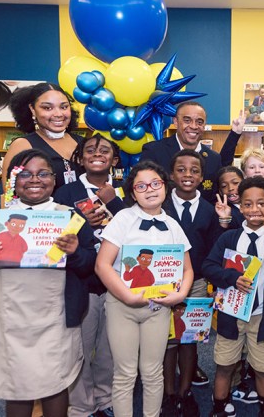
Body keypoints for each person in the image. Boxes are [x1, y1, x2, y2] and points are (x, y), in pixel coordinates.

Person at [0, 149, 96, 417]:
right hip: (10, 315)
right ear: (14, 180)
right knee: (17, 383)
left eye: (43, 173)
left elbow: (89, 266)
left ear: (54, 179)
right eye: (25, 174)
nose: (35, 179)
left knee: (55, 381)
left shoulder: (70, 218)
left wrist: (75, 253)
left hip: (55, 315)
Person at [94, 160, 194, 417]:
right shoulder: (123, 219)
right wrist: (127, 296)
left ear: (165, 186)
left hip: (157, 307)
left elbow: (187, 269)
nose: (150, 189)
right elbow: (102, 265)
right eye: (141, 185)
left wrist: (181, 294)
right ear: (132, 192)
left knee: (153, 371)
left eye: (155, 183)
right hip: (122, 306)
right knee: (125, 372)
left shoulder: (172, 224)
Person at [202, 177, 264, 417]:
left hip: (263, 315)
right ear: (240, 207)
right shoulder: (229, 238)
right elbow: (208, 266)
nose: (255, 209)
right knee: (225, 365)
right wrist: (231, 278)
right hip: (231, 313)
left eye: (261, 204)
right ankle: (219, 407)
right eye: (248, 204)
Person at [55, 133, 124, 417]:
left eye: (104, 150)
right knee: (80, 347)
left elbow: (138, 231)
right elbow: (58, 240)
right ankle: (81, 406)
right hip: (83, 282)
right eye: (90, 150)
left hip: (117, 283)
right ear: (81, 158)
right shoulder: (66, 192)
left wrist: (115, 203)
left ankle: (105, 399)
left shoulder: (124, 189)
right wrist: (81, 221)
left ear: (114, 160)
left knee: (110, 348)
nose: (97, 154)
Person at [161, 149, 224, 417]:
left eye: (194, 170)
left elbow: (214, 249)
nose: (188, 175)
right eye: (181, 169)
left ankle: (186, 393)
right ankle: (168, 393)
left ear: (202, 177)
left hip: (198, 282)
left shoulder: (210, 210)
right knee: (167, 342)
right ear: (172, 175)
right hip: (164, 283)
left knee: (189, 339)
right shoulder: (160, 205)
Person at [140, 102, 245, 203]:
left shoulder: (214, 159)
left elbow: (216, 194)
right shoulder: (153, 151)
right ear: (175, 121)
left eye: (199, 122)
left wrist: (235, 134)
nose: (194, 126)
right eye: (187, 120)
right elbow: (142, 188)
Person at [2, 82, 84, 194]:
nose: (58, 114)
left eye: (64, 107)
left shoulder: (83, 143)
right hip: (43, 212)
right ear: (32, 110)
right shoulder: (23, 145)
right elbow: (9, 194)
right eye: (47, 108)